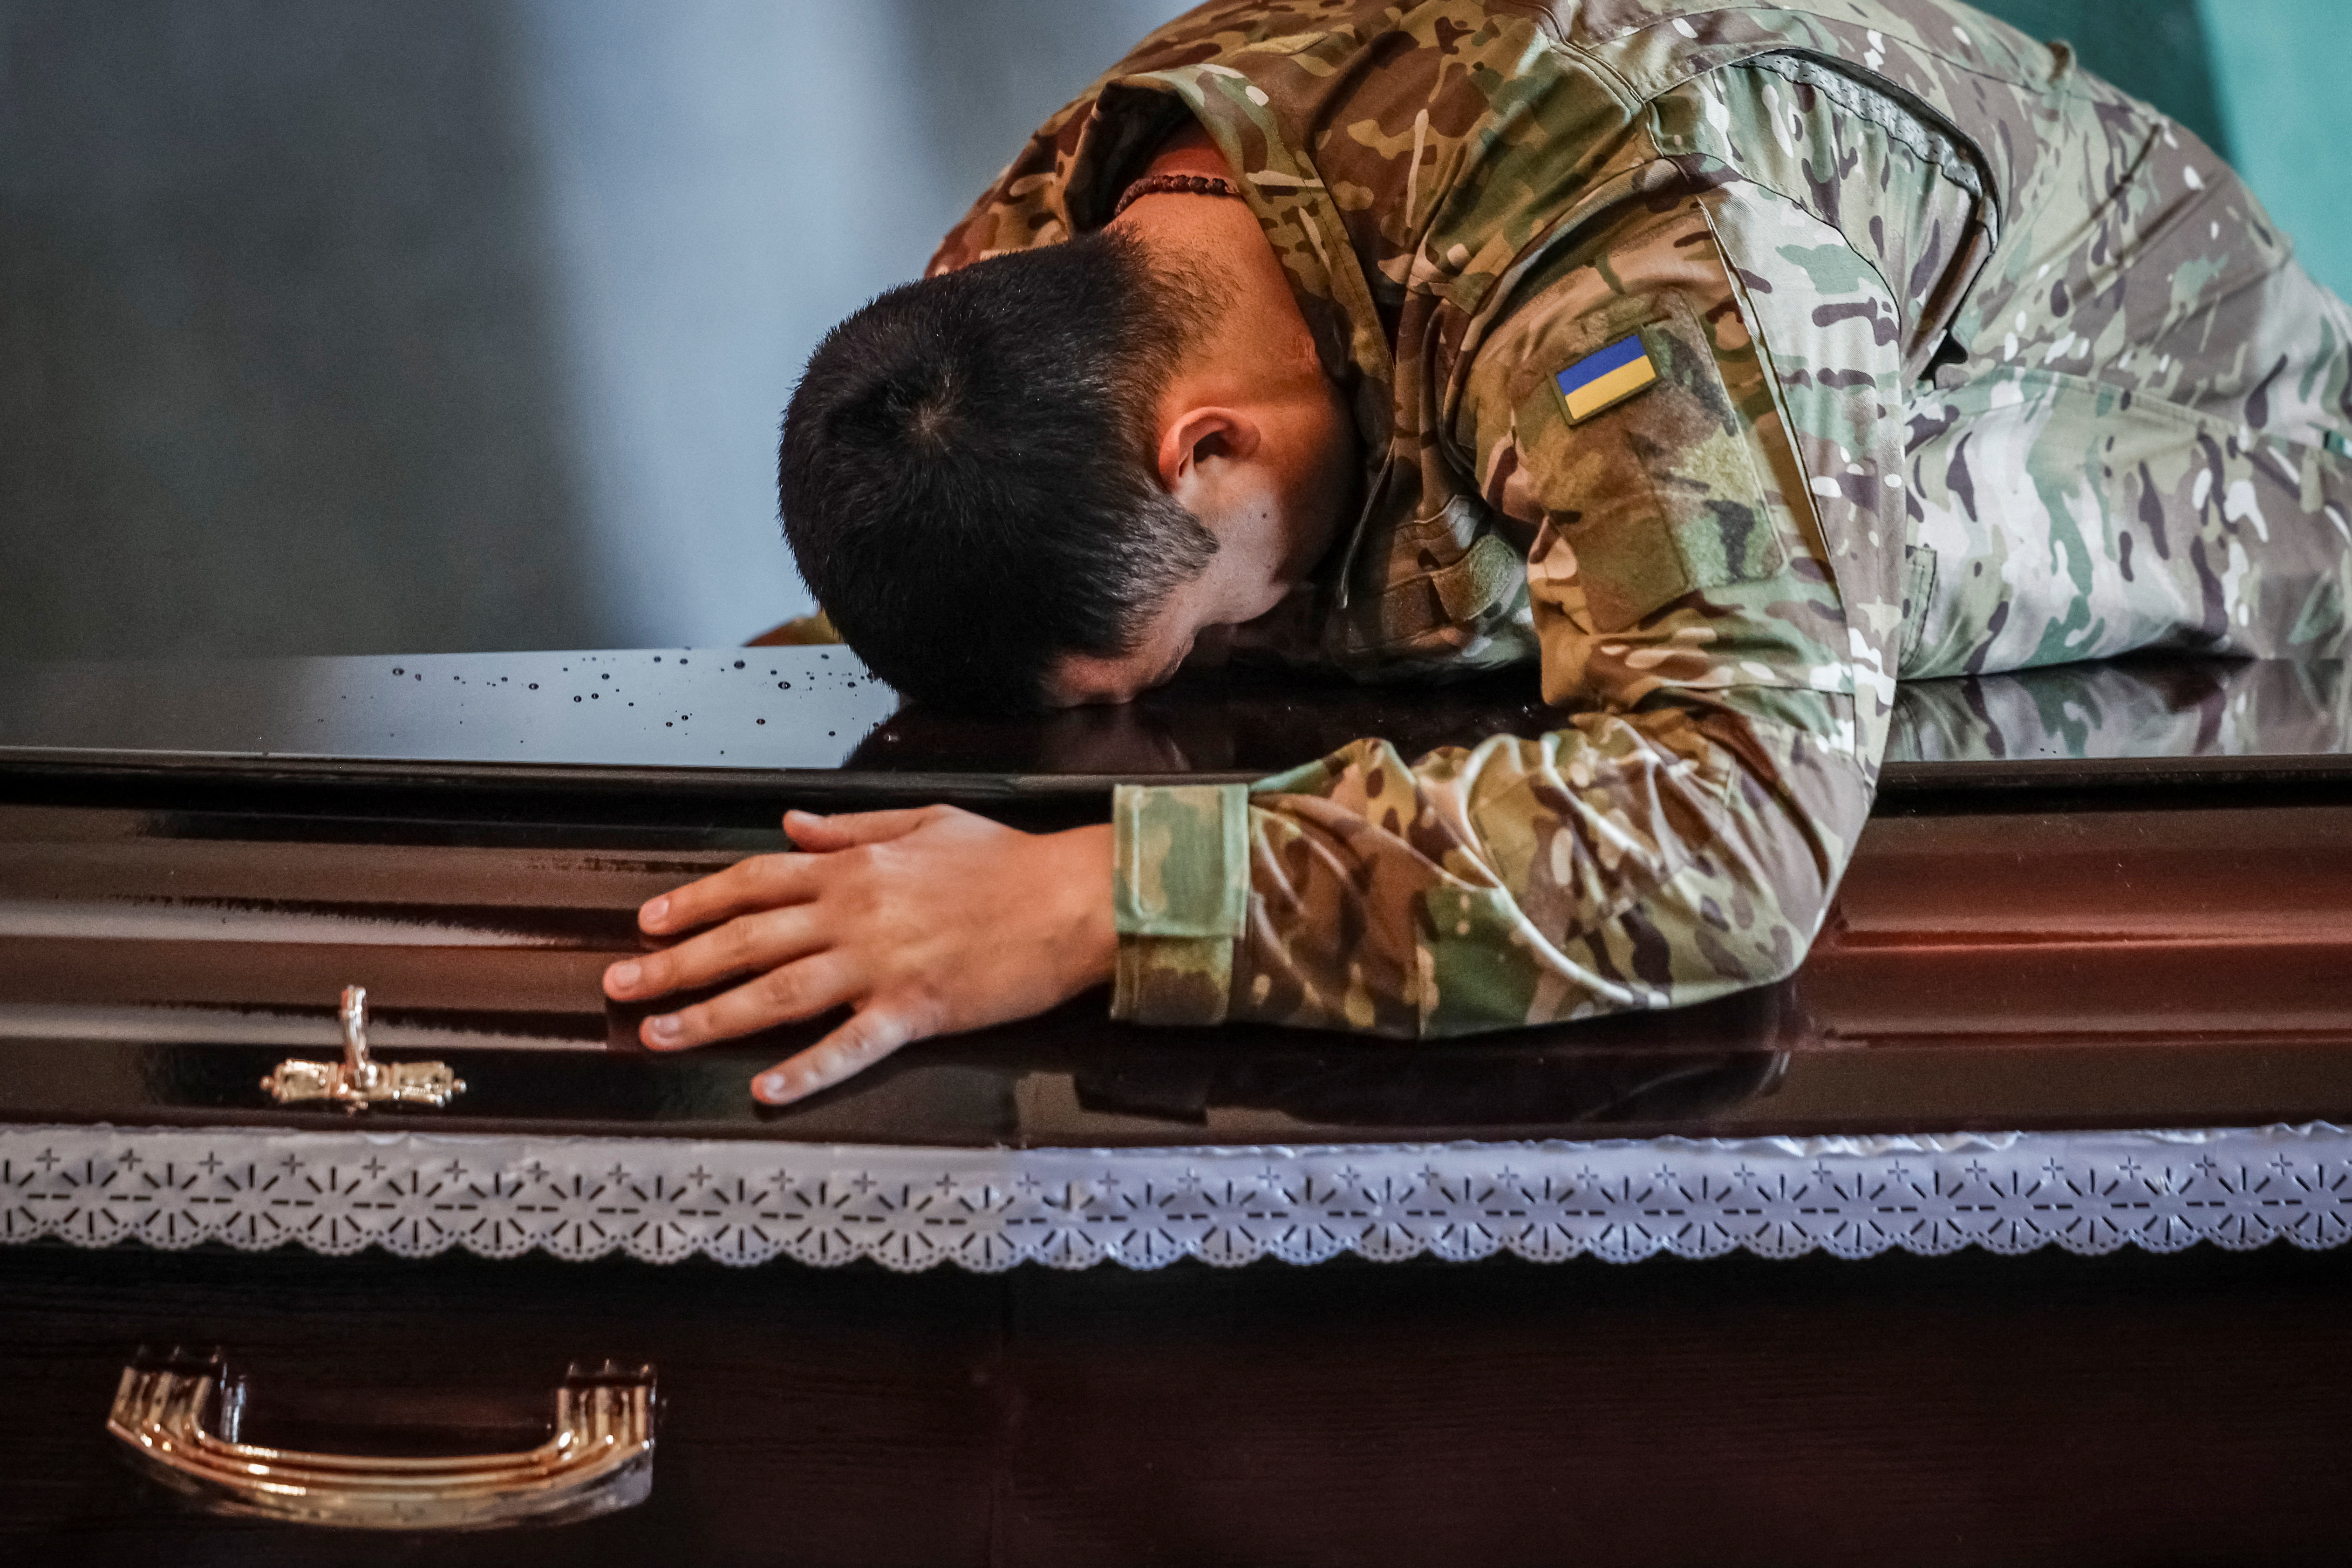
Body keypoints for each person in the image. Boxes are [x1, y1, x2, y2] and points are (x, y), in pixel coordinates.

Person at [602, 0, 2352, 1105]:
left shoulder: (1635, 258)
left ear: (1202, 446)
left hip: (2196, 444)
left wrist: (1098, 900)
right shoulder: (1049, 246)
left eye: (1185, 637)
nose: (1199, 673)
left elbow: (1727, 833)